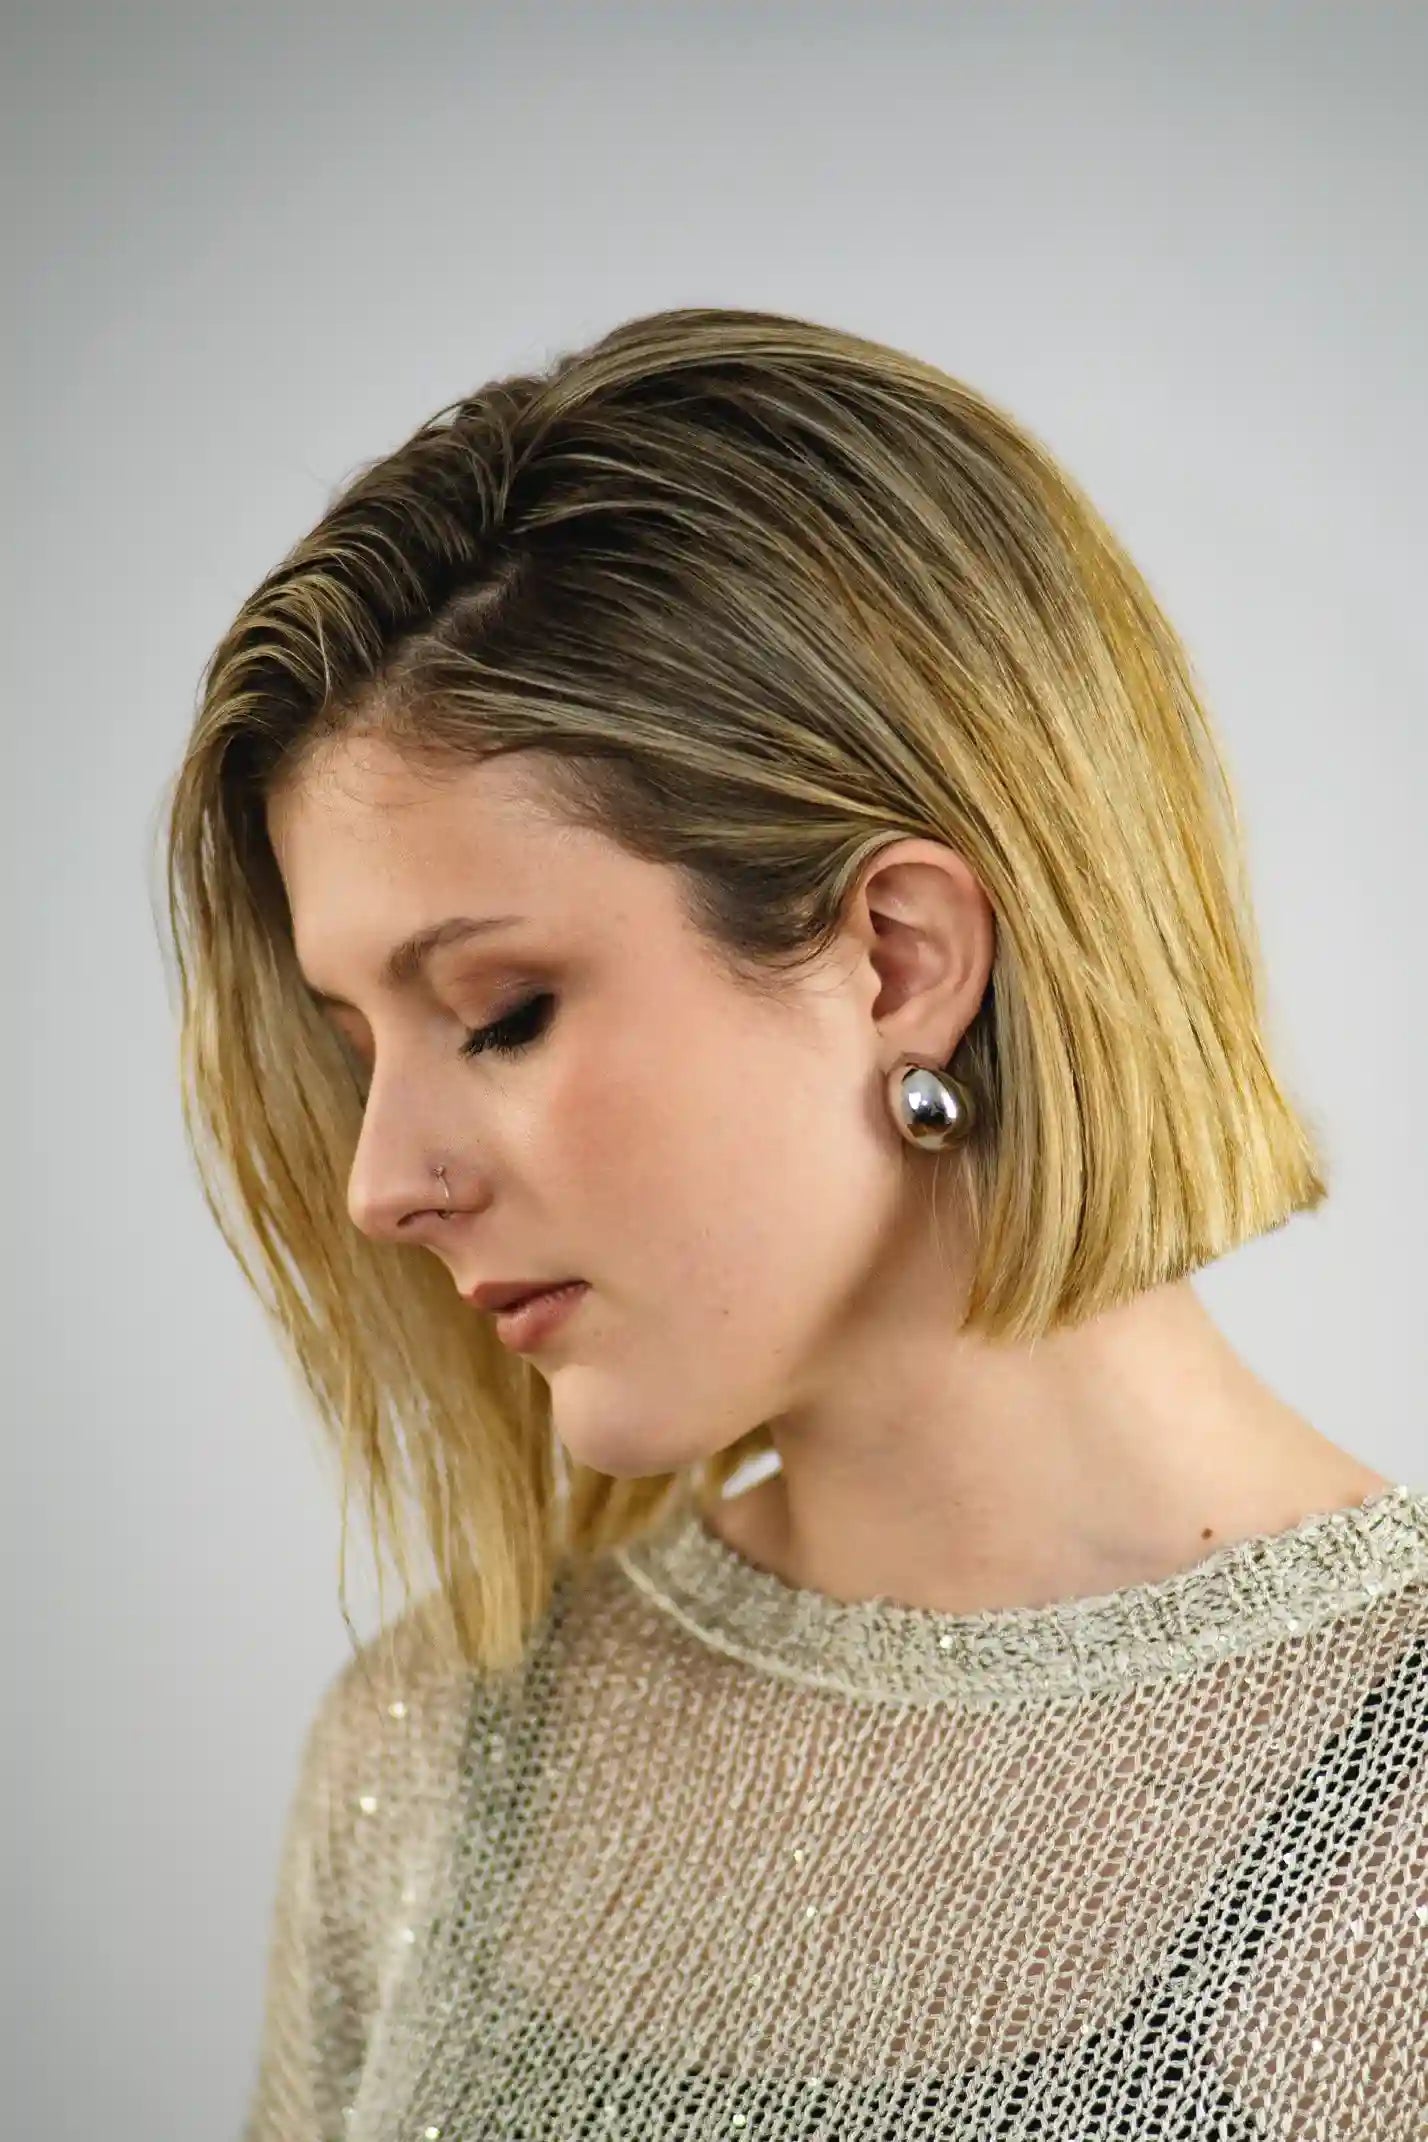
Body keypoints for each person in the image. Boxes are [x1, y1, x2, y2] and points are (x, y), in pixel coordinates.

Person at [159, 307, 1426, 2141]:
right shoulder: (440, 1753)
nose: (381, 1181)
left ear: (902, 958)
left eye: (500, 1011)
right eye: (361, 1044)